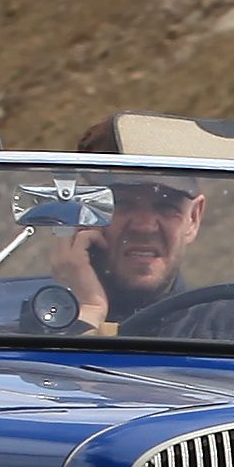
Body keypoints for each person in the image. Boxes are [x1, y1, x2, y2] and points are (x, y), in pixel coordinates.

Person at [39, 133, 203, 331]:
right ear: (80, 213)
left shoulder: (232, 334)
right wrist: (86, 311)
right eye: (121, 204)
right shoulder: (17, 341)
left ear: (193, 218)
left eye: (166, 207)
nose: (144, 227)